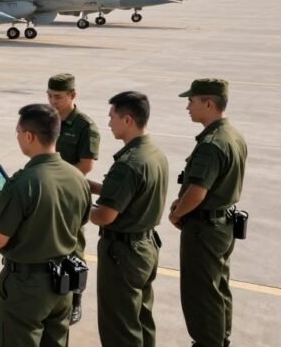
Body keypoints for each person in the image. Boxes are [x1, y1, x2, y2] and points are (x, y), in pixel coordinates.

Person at [0, 104, 91, 347]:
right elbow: (81, 220)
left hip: (27, 286)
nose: (17, 137)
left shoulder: (23, 183)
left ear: (29, 136)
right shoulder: (77, 177)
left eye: (18, 132)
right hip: (63, 284)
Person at [168, 79, 247, 347]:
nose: (188, 106)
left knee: (201, 292)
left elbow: (197, 192)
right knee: (218, 286)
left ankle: (208, 342)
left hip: (205, 229)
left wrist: (177, 212)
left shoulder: (212, 144)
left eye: (192, 101)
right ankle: (220, 338)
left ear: (209, 103)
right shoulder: (232, 135)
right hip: (222, 224)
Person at [88, 91, 168, 347]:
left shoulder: (128, 164)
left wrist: (75, 205)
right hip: (145, 247)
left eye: (112, 117)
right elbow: (135, 192)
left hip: (123, 254)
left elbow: (104, 216)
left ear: (128, 119)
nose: (109, 122)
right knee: (141, 317)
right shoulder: (153, 153)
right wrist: (97, 188)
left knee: (120, 326)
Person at [46, 73, 101, 324]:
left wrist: (61, 181)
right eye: (49, 96)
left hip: (70, 194)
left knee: (73, 247)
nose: (52, 101)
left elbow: (86, 165)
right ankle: (51, 294)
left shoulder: (84, 126)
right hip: (47, 191)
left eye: (57, 97)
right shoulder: (48, 120)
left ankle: (76, 299)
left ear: (73, 96)